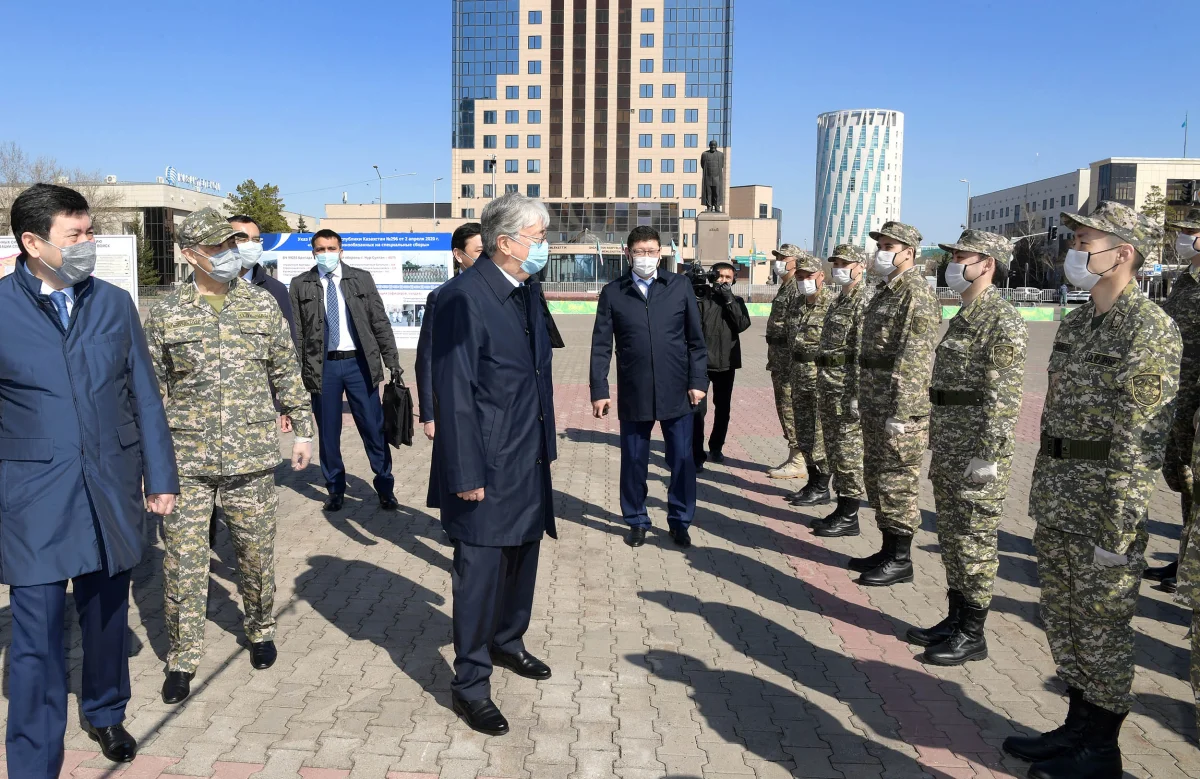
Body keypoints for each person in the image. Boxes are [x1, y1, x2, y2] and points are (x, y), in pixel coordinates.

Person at [0, 184, 179, 773]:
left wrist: (161, 476)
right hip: (34, 500)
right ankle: (32, 763)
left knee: (106, 617)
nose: (88, 244)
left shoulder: (113, 303)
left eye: (89, 232)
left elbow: (146, 398)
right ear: (32, 242)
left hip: (111, 486)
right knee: (35, 640)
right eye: (74, 235)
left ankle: (105, 711)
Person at [1003, 202, 1179, 778]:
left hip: (1104, 504)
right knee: (1066, 618)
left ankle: (1101, 751)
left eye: (1083, 241)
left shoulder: (1149, 329)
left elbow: (1141, 439)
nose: (1072, 251)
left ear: (1121, 253)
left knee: (1102, 626)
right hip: (1060, 494)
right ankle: (1077, 727)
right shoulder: (1078, 322)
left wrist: (1120, 526)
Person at [144, 208, 313, 705]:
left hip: (252, 459)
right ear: (189, 253)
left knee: (256, 558)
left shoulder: (261, 306)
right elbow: (151, 396)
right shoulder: (167, 314)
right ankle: (182, 658)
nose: (228, 254)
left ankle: (260, 630)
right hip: (187, 462)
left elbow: (286, 373)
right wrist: (148, 466)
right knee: (183, 564)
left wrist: (303, 430)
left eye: (231, 244)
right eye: (217, 248)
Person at [429, 193, 557, 737]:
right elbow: (454, 391)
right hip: (484, 462)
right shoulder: (463, 298)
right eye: (538, 236)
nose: (544, 247)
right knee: (479, 575)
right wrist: (465, 474)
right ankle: (471, 684)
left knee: (520, 561)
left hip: (526, 455)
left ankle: (507, 642)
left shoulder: (524, 289)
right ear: (505, 242)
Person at [907, 231, 1026, 666]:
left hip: (977, 451)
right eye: (952, 254)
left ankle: (973, 634)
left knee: (974, 540)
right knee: (955, 538)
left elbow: (1002, 397)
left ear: (988, 263)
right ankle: (956, 619)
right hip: (951, 446)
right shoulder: (965, 315)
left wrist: (988, 456)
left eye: (961, 256)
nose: (952, 261)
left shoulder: (1001, 319)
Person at [590, 226, 707, 549]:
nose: (646, 257)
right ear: (628, 254)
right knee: (634, 461)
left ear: (661, 253)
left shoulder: (679, 286)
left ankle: (680, 520)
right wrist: (599, 389)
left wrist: (698, 382)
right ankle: (637, 520)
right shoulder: (614, 292)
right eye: (639, 251)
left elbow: (697, 342)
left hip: (678, 390)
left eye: (652, 251)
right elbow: (601, 345)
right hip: (634, 389)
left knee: (682, 460)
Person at [851, 222, 941, 586]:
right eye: (880, 245)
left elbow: (914, 358)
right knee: (876, 477)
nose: (882, 251)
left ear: (910, 252)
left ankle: (901, 559)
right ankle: (888, 549)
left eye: (890, 245)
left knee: (897, 482)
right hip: (876, 400)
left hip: (897, 408)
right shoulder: (886, 291)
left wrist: (902, 412)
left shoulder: (915, 294)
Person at [289, 229, 403, 512]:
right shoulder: (301, 283)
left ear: (341, 250)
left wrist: (393, 362)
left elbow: (379, 322)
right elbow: (298, 334)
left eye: (331, 248)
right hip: (322, 367)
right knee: (328, 432)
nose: (326, 253)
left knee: (373, 428)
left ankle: (385, 485)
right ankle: (335, 489)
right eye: (320, 249)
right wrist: (298, 371)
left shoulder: (360, 278)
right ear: (312, 252)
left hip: (359, 364)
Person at [1151, 207, 1200, 593]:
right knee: (1184, 480)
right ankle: (1185, 558)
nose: (1182, 236)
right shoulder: (1187, 280)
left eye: (1189, 230)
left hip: (1197, 401)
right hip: (1178, 398)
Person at [810, 244, 870, 538]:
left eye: (845, 263)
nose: (838, 268)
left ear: (860, 266)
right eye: (835, 263)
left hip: (847, 390)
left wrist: (858, 394)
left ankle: (850, 514)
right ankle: (841, 506)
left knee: (848, 453)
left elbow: (861, 352)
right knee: (834, 449)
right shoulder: (839, 300)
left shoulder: (863, 302)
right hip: (830, 387)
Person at [417, 222, 483, 441]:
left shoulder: (509, 292)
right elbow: (427, 358)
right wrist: (429, 415)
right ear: (458, 254)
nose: (486, 258)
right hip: (459, 405)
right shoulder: (442, 297)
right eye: (480, 252)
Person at [785, 253, 837, 506]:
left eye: (809, 276)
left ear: (821, 276)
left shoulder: (832, 304)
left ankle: (822, 486)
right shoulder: (796, 304)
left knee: (820, 435)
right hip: (798, 377)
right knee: (803, 433)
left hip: (820, 379)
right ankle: (812, 481)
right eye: (800, 276)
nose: (804, 281)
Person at [690, 261, 751, 467]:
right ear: (712, 276)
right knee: (697, 410)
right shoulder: (701, 299)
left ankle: (716, 447)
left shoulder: (737, 300)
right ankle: (696, 454)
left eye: (728, 277)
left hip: (726, 364)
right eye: (720, 276)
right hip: (702, 364)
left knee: (723, 408)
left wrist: (728, 300)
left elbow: (742, 324)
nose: (724, 281)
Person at [765, 245, 804, 479]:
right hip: (779, 360)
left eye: (783, 258)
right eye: (777, 257)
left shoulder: (796, 289)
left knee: (790, 409)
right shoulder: (785, 287)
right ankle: (795, 456)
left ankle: (798, 459)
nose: (778, 261)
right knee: (784, 408)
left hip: (789, 362)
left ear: (795, 262)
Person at [229, 215, 296, 341]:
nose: (250, 245)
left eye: (255, 240)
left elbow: (288, 343)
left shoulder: (276, 290)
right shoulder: (209, 286)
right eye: (242, 239)